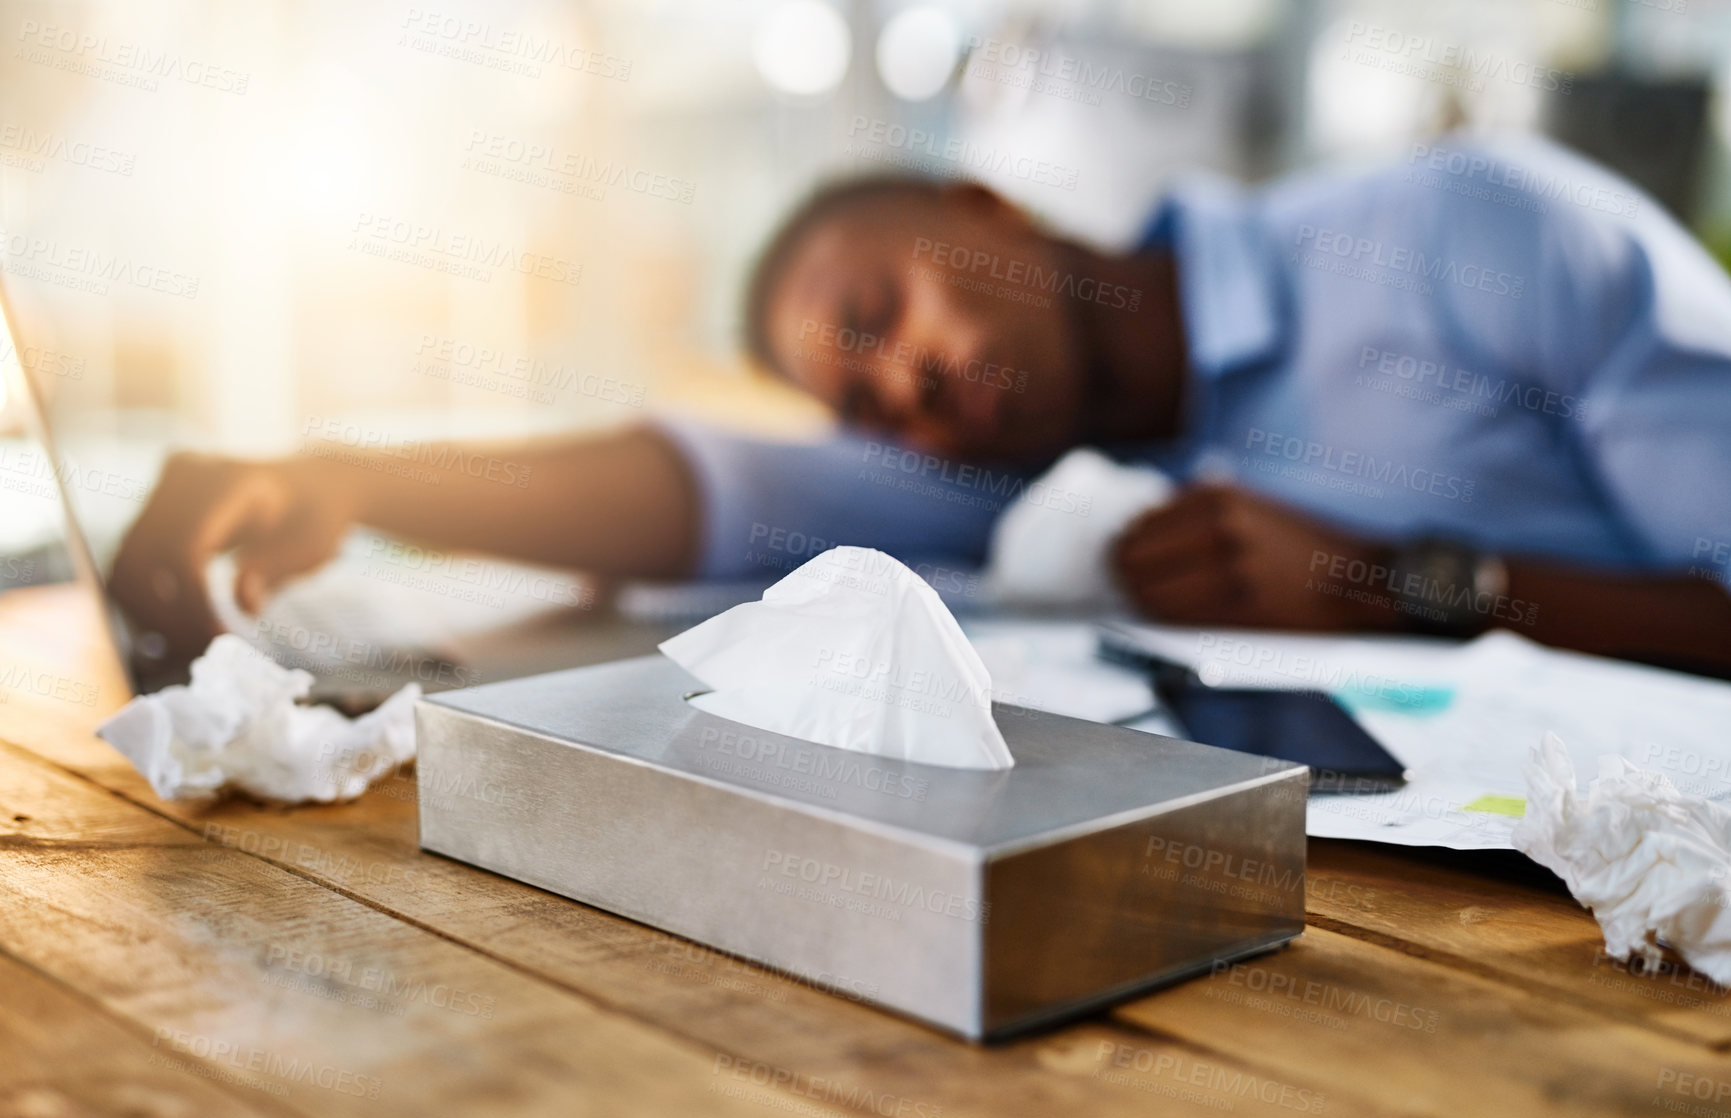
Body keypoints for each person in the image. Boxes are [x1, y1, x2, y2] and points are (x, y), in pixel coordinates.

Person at [112, 135, 1731, 673]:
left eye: (884, 315)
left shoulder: (1471, 235)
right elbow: (709, 485)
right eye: (870, 401)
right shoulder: (1036, 474)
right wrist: (338, 471)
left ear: (990, 208)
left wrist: (1404, 587)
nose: (908, 389)